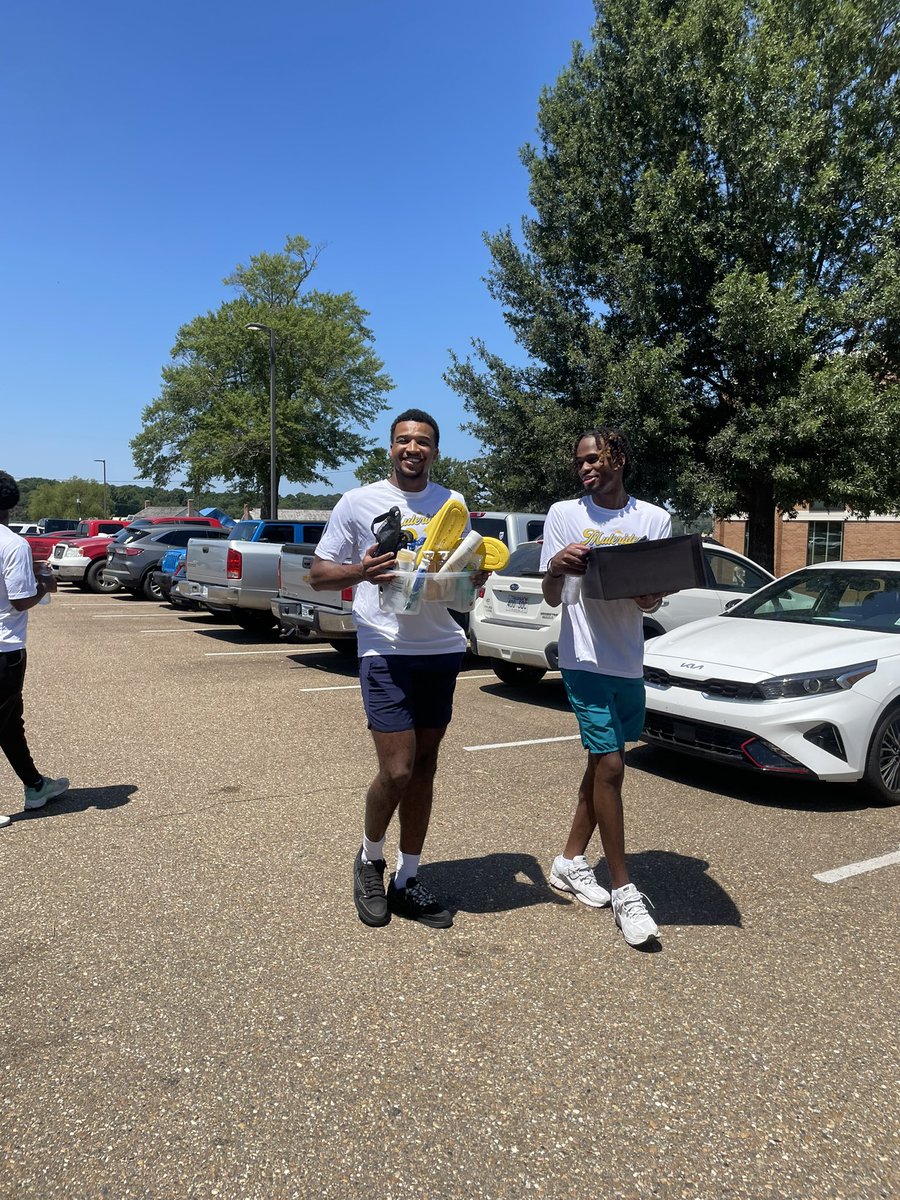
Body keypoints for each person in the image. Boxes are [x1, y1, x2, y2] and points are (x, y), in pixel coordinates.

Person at [310, 409, 480, 930]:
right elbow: (318, 573)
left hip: (441, 646)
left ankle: (407, 879)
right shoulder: (357, 502)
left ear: (435, 450)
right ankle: (370, 858)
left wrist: (473, 575)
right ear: (390, 448)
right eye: (404, 440)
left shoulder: (453, 504)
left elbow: (463, 581)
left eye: (423, 441)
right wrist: (363, 570)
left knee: (425, 768)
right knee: (398, 769)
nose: (413, 448)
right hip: (384, 647)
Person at [540, 428, 670, 947]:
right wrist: (556, 566)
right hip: (584, 657)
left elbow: (653, 599)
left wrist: (647, 595)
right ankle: (625, 889)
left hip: (627, 660)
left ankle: (569, 861)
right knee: (613, 766)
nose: (586, 468)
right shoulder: (563, 515)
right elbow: (553, 596)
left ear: (621, 459)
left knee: (600, 765)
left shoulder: (652, 518)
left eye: (595, 459)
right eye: (580, 463)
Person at [0, 471, 69, 827]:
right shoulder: (13, 544)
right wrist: (45, 585)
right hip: (4, 650)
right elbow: (20, 599)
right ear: (11, 503)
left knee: (10, 724)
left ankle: (36, 786)